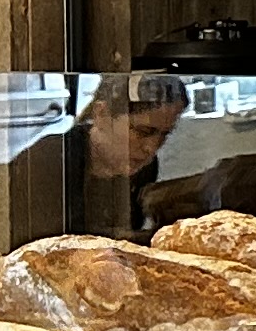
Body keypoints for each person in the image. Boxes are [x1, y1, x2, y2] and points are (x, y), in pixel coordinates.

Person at [71, 73, 189, 234]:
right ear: (102, 114)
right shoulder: (53, 161)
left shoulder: (145, 166)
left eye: (165, 134)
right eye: (143, 131)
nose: (152, 148)